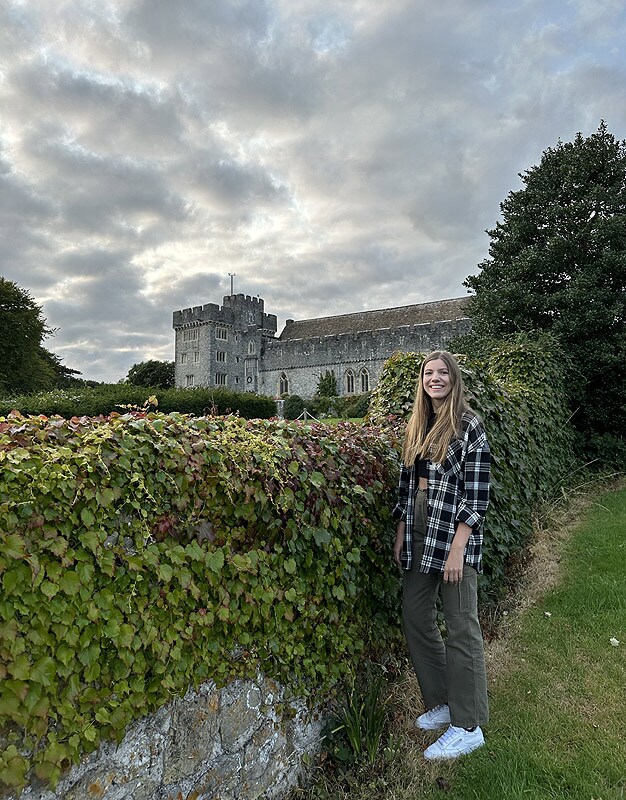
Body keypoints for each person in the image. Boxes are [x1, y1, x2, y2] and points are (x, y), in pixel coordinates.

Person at [392, 350, 490, 760]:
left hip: (453, 535)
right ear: (422, 380)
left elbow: (478, 493)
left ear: (454, 378)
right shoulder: (418, 423)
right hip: (418, 532)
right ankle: (443, 701)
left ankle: (468, 725)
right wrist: (400, 530)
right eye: (429, 373)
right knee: (415, 614)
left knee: (461, 626)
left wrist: (458, 549)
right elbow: (405, 483)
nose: (436, 378)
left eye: (443, 372)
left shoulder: (470, 425)